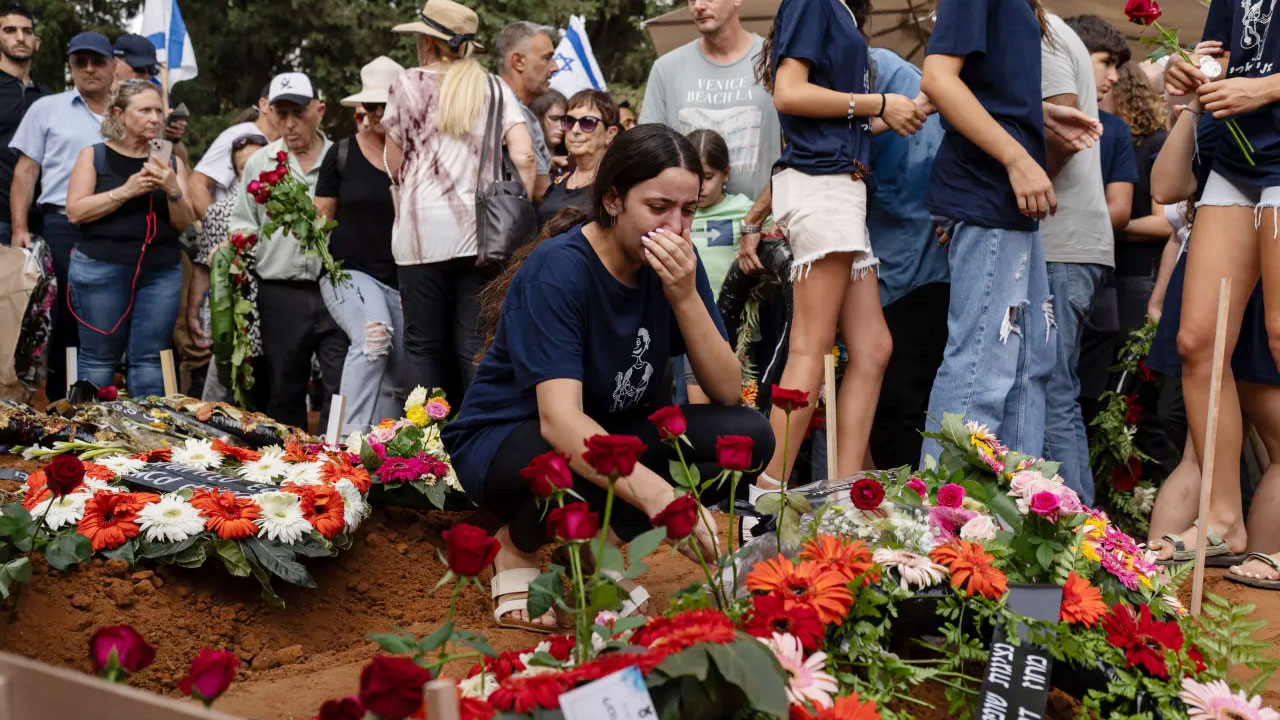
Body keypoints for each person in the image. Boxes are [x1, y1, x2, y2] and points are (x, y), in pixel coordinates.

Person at [444, 125, 773, 632]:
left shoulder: (676, 266)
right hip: (511, 439)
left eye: (687, 210)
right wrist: (662, 498)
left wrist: (685, 295)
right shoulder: (561, 269)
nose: (675, 228)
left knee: (748, 435)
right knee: (565, 457)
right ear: (613, 199)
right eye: (659, 207)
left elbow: (727, 390)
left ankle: (598, 545)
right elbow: (560, 422)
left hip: (607, 431)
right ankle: (515, 546)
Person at [751, 0, 925, 494]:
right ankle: (766, 495)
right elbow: (789, 93)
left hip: (841, 189)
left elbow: (842, 127)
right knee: (811, 345)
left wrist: (906, 108)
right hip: (823, 188)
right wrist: (879, 102)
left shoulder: (842, 10)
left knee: (873, 346)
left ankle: (845, 491)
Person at [919, 0, 1102, 464]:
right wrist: (1018, 157)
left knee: (1027, 368)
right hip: (989, 191)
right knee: (984, 365)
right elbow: (938, 79)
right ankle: (942, 506)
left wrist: (1036, 114)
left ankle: (1015, 504)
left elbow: (982, 84)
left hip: (1006, 200)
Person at [1154, 0, 1280, 574]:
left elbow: (1257, 77)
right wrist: (1193, 72)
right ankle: (1223, 517)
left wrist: (1266, 88)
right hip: (1234, 158)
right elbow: (1225, 60)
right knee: (1197, 342)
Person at [385, 0, 536, 397]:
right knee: (474, 345)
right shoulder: (494, 87)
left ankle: (423, 435)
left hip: (420, 236)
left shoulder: (407, 83)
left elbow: (394, 163)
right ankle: (479, 430)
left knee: (422, 346)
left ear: (428, 42)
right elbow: (525, 155)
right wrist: (519, 203)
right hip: (483, 235)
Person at [228, 71, 346, 428]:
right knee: (283, 387)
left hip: (335, 288)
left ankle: (336, 453)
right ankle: (291, 459)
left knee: (340, 383)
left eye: (299, 112)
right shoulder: (261, 162)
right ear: (271, 115)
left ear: (319, 110)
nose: (290, 123)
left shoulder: (341, 157)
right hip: (280, 291)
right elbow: (242, 223)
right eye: (282, 114)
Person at [63, 80, 194, 396]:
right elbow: (75, 212)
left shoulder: (171, 161)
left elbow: (185, 223)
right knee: (98, 358)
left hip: (160, 271)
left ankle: (147, 426)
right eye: (145, 110)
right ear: (120, 113)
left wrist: (173, 190)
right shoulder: (94, 155)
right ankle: (92, 426)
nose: (155, 118)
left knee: (150, 359)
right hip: (100, 267)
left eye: (158, 111)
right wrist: (126, 191)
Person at [1036, 14, 1117, 505]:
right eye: (1108, 63)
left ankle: (1076, 527)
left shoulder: (1043, 33)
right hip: (1068, 241)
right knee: (1051, 387)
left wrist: (1009, 192)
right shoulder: (1051, 30)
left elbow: (1063, 129)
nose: (1114, 76)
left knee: (1050, 389)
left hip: (1061, 242)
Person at [9, 31, 114, 401]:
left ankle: (112, 408)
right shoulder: (46, 108)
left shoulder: (131, 110)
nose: (89, 69)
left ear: (113, 65)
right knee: (66, 320)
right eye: (80, 62)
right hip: (62, 226)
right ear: (70, 67)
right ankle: (63, 408)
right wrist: (20, 228)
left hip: (121, 226)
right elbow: (26, 171)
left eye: (97, 61)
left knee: (114, 318)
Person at [639, 0, 778, 270]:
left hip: (761, 235)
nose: (698, 6)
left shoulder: (773, 60)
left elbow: (799, 148)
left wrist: (758, 220)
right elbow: (647, 158)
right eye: (692, 0)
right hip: (685, 236)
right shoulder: (667, 68)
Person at [864, 44, 950, 471]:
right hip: (904, 260)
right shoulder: (883, 68)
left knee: (901, 402)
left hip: (913, 262)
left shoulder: (882, 72)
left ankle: (909, 498)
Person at [314, 56, 406, 435]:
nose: (379, 113)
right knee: (374, 336)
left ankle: (384, 455)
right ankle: (343, 444)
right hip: (348, 272)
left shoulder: (416, 153)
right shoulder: (341, 153)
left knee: (399, 377)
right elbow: (320, 219)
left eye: (387, 104)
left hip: (404, 279)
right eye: (372, 105)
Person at [188, 132, 267, 402]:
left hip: (277, 318)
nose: (253, 173)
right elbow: (203, 269)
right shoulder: (218, 212)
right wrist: (195, 313)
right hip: (236, 321)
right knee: (222, 394)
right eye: (245, 168)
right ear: (236, 173)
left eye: (259, 164)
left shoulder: (285, 210)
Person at [190, 84, 279, 217]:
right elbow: (197, 183)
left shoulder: (287, 144)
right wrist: (216, 226)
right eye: (281, 105)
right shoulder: (238, 135)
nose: (289, 113)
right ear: (264, 105)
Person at [0, 4, 49, 246]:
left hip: (40, 219)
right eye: (10, 30)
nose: (20, 37)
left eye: (27, 31)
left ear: (36, 42)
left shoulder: (48, 98)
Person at [536, 89, 618, 229]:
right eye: (569, 121)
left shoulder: (615, 185)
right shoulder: (558, 181)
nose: (575, 130)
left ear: (610, 133)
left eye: (588, 122)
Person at [497, 21, 556, 201]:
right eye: (547, 58)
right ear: (518, 62)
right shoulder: (514, 112)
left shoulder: (492, 102)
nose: (555, 67)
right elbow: (541, 191)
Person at [529, 89, 567, 174]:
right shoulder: (523, 155)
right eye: (554, 119)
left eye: (565, 120)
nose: (562, 127)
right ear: (538, 118)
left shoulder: (572, 156)